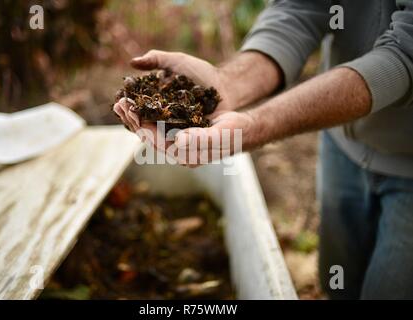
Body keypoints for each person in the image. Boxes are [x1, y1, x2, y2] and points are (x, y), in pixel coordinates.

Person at [113, 0, 413, 299]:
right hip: (342, 143)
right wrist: (227, 83)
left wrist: (258, 124)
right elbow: (302, 8)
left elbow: (405, 53)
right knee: (338, 278)